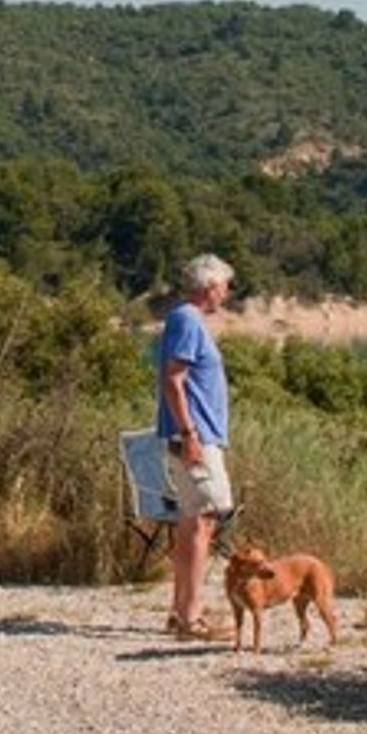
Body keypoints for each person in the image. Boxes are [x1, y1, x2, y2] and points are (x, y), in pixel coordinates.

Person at [152, 253, 236, 640]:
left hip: (193, 436)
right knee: (205, 521)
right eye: (224, 285)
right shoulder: (188, 319)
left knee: (191, 524)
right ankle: (192, 618)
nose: (227, 293)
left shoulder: (184, 319)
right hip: (195, 438)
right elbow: (174, 378)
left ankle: (180, 612)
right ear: (209, 286)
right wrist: (190, 435)